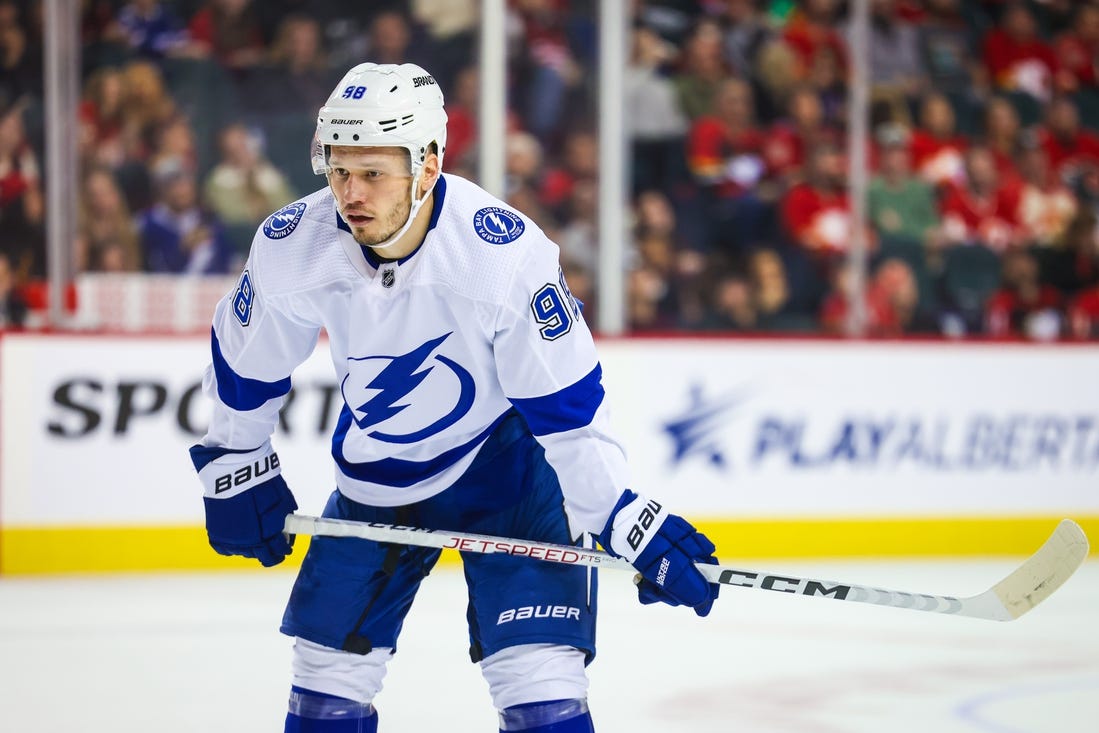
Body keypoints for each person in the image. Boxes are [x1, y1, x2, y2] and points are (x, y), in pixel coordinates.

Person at [187, 62, 720, 733]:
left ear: (428, 166)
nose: (350, 192)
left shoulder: (500, 256)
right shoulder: (295, 244)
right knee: (325, 683)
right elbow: (244, 364)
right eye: (339, 169)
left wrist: (621, 516)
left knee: (540, 691)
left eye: (373, 172)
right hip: (376, 473)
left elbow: (567, 410)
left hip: (508, 476)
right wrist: (236, 461)